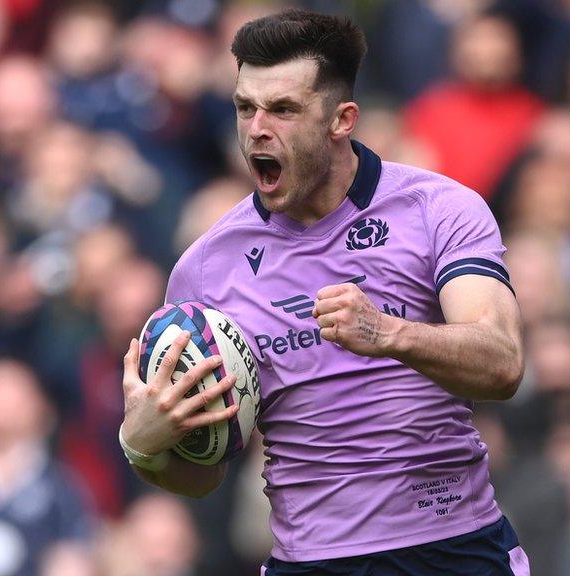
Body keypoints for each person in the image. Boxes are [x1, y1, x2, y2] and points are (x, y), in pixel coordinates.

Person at [117, 8, 528, 575]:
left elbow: (502, 362)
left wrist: (389, 334)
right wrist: (145, 446)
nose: (257, 128)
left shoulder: (441, 209)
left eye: (284, 109)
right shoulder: (205, 269)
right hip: (312, 562)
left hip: (453, 549)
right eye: (245, 107)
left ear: (342, 120)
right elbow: (202, 475)